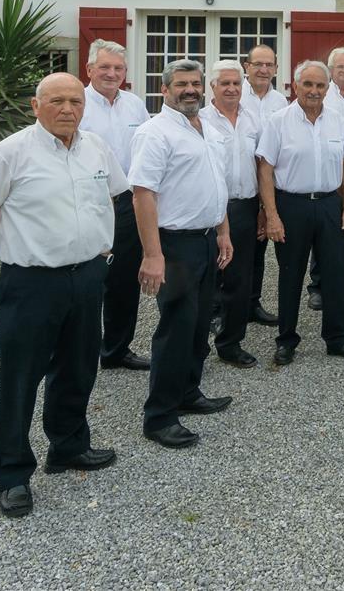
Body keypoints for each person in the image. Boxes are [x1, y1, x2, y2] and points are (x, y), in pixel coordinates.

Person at [0, 73, 127, 518]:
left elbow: (109, 197)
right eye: (56, 101)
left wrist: (103, 243)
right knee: (21, 378)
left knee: (77, 367)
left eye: (75, 101)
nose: (68, 109)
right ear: (35, 106)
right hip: (31, 283)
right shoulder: (7, 154)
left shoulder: (95, 147)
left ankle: (69, 445)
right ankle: (13, 474)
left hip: (87, 276)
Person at [130, 61, 235, 450]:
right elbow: (143, 194)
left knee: (198, 324)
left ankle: (189, 392)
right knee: (175, 328)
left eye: (194, 83)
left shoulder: (205, 127)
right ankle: (159, 416)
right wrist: (152, 254)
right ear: (165, 90)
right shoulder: (154, 133)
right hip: (174, 245)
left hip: (207, 239)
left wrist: (222, 231)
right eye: (181, 85)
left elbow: (215, 183)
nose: (190, 90)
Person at [256, 60, 344, 365]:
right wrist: (273, 215)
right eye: (308, 84)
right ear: (295, 86)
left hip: (330, 204)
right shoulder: (278, 121)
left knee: (334, 273)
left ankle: (336, 338)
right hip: (292, 205)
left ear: (327, 88)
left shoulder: (337, 122)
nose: (314, 91)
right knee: (291, 275)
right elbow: (265, 170)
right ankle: (286, 340)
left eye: (320, 85)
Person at [75, 40, 152, 372]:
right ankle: (79, 349)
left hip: (127, 203)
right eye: (104, 67)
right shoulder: (76, 103)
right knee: (86, 278)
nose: (111, 73)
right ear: (89, 69)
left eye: (118, 68)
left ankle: (117, 350)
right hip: (87, 204)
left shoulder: (135, 105)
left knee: (123, 280)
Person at [200, 60, 264, 368]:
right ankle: (196, 344)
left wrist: (266, 209)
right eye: (224, 83)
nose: (231, 88)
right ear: (212, 86)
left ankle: (230, 342)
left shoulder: (253, 119)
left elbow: (264, 167)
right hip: (209, 208)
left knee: (239, 278)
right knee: (203, 278)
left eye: (236, 83)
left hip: (244, 208)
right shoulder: (198, 121)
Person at [240, 45, 286, 327]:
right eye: (258, 64)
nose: (263, 70)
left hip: (268, 186)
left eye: (269, 65)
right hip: (241, 185)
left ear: (276, 69)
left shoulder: (281, 102)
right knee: (232, 250)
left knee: (258, 249)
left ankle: (252, 303)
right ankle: (221, 308)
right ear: (246, 66)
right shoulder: (234, 94)